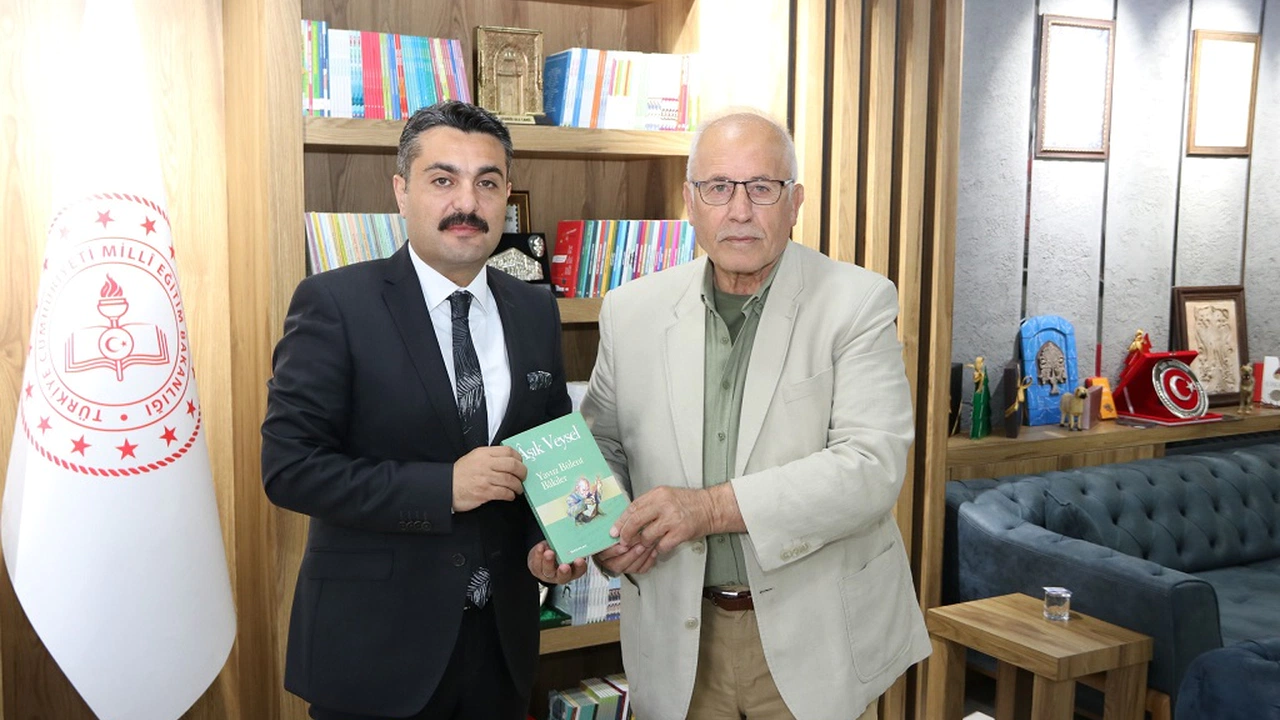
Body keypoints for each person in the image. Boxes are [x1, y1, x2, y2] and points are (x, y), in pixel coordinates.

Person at [581, 109, 930, 720]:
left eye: (761, 188)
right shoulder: (630, 310)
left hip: (815, 638)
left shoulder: (857, 302)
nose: (739, 211)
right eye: (718, 187)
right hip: (677, 638)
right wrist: (603, 535)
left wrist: (707, 509)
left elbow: (871, 468)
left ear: (795, 202)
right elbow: (600, 446)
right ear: (690, 202)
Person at [261, 100, 586, 720]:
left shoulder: (534, 308)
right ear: (401, 191)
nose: (467, 202)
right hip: (376, 653)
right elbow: (290, 469)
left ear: (507, 197)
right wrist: (444, 488)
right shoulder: (334, 304)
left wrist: (549, 540)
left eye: (486, 183)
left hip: (501, 651)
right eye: (443, 180)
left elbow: (546, 452)